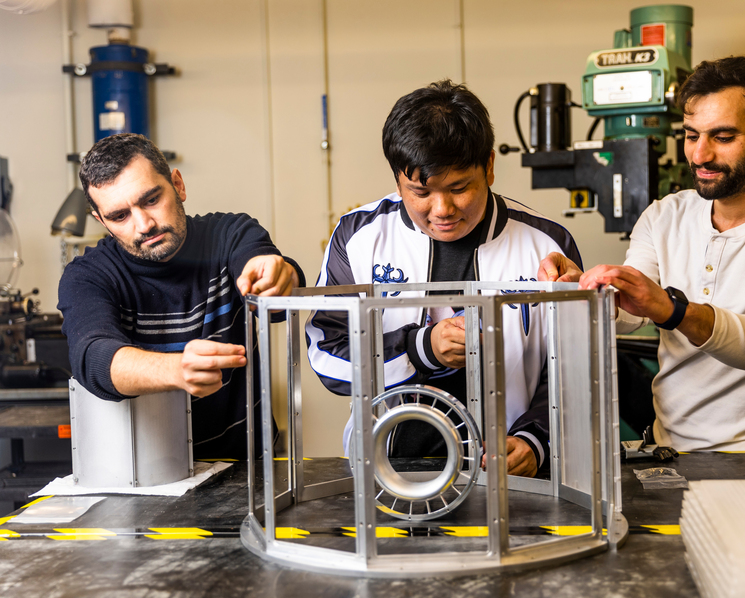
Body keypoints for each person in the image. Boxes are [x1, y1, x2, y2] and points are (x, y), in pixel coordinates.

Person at [540, 56, 745, 451]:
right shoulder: (664, 216)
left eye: (722, 137)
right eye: (691, 135)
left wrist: (675, 311)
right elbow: (629, 312)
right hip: (667, 454)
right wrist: (583, 292)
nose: (700, 156)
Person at [306, 80, 582, 477]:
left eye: (459, 188)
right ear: (397, 178)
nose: (443, 209)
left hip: (508, 476)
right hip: (388, 470)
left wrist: (536, 439)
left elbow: (574, 369)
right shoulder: (359, 236)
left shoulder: (547, 243)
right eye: (421, 192)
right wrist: (422, 349)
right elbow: (327, 354)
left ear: (488, 166)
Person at [58, 133, 303, 460]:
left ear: (178, 185)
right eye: (120, 216)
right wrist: (177, 371)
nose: (143, 224)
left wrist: (279, 277)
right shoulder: (88, 275)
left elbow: (270, 287)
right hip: (148, 476)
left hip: (249, 468)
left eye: (151, 200)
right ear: (101, 221)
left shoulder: (230, 234)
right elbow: (95, 359)